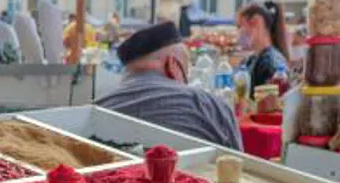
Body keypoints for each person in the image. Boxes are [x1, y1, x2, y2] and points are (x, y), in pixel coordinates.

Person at [96, 21, 242, 150]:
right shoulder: (212, 107)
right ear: (172, 64)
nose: (186, 83)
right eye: (186, 72)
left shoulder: (96, 110)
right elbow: (240, 168)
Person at [237, 1, 291, 91]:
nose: (239, 32)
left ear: (256, 22)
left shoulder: (269, 62)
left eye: (240, 26)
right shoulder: (250, 60)